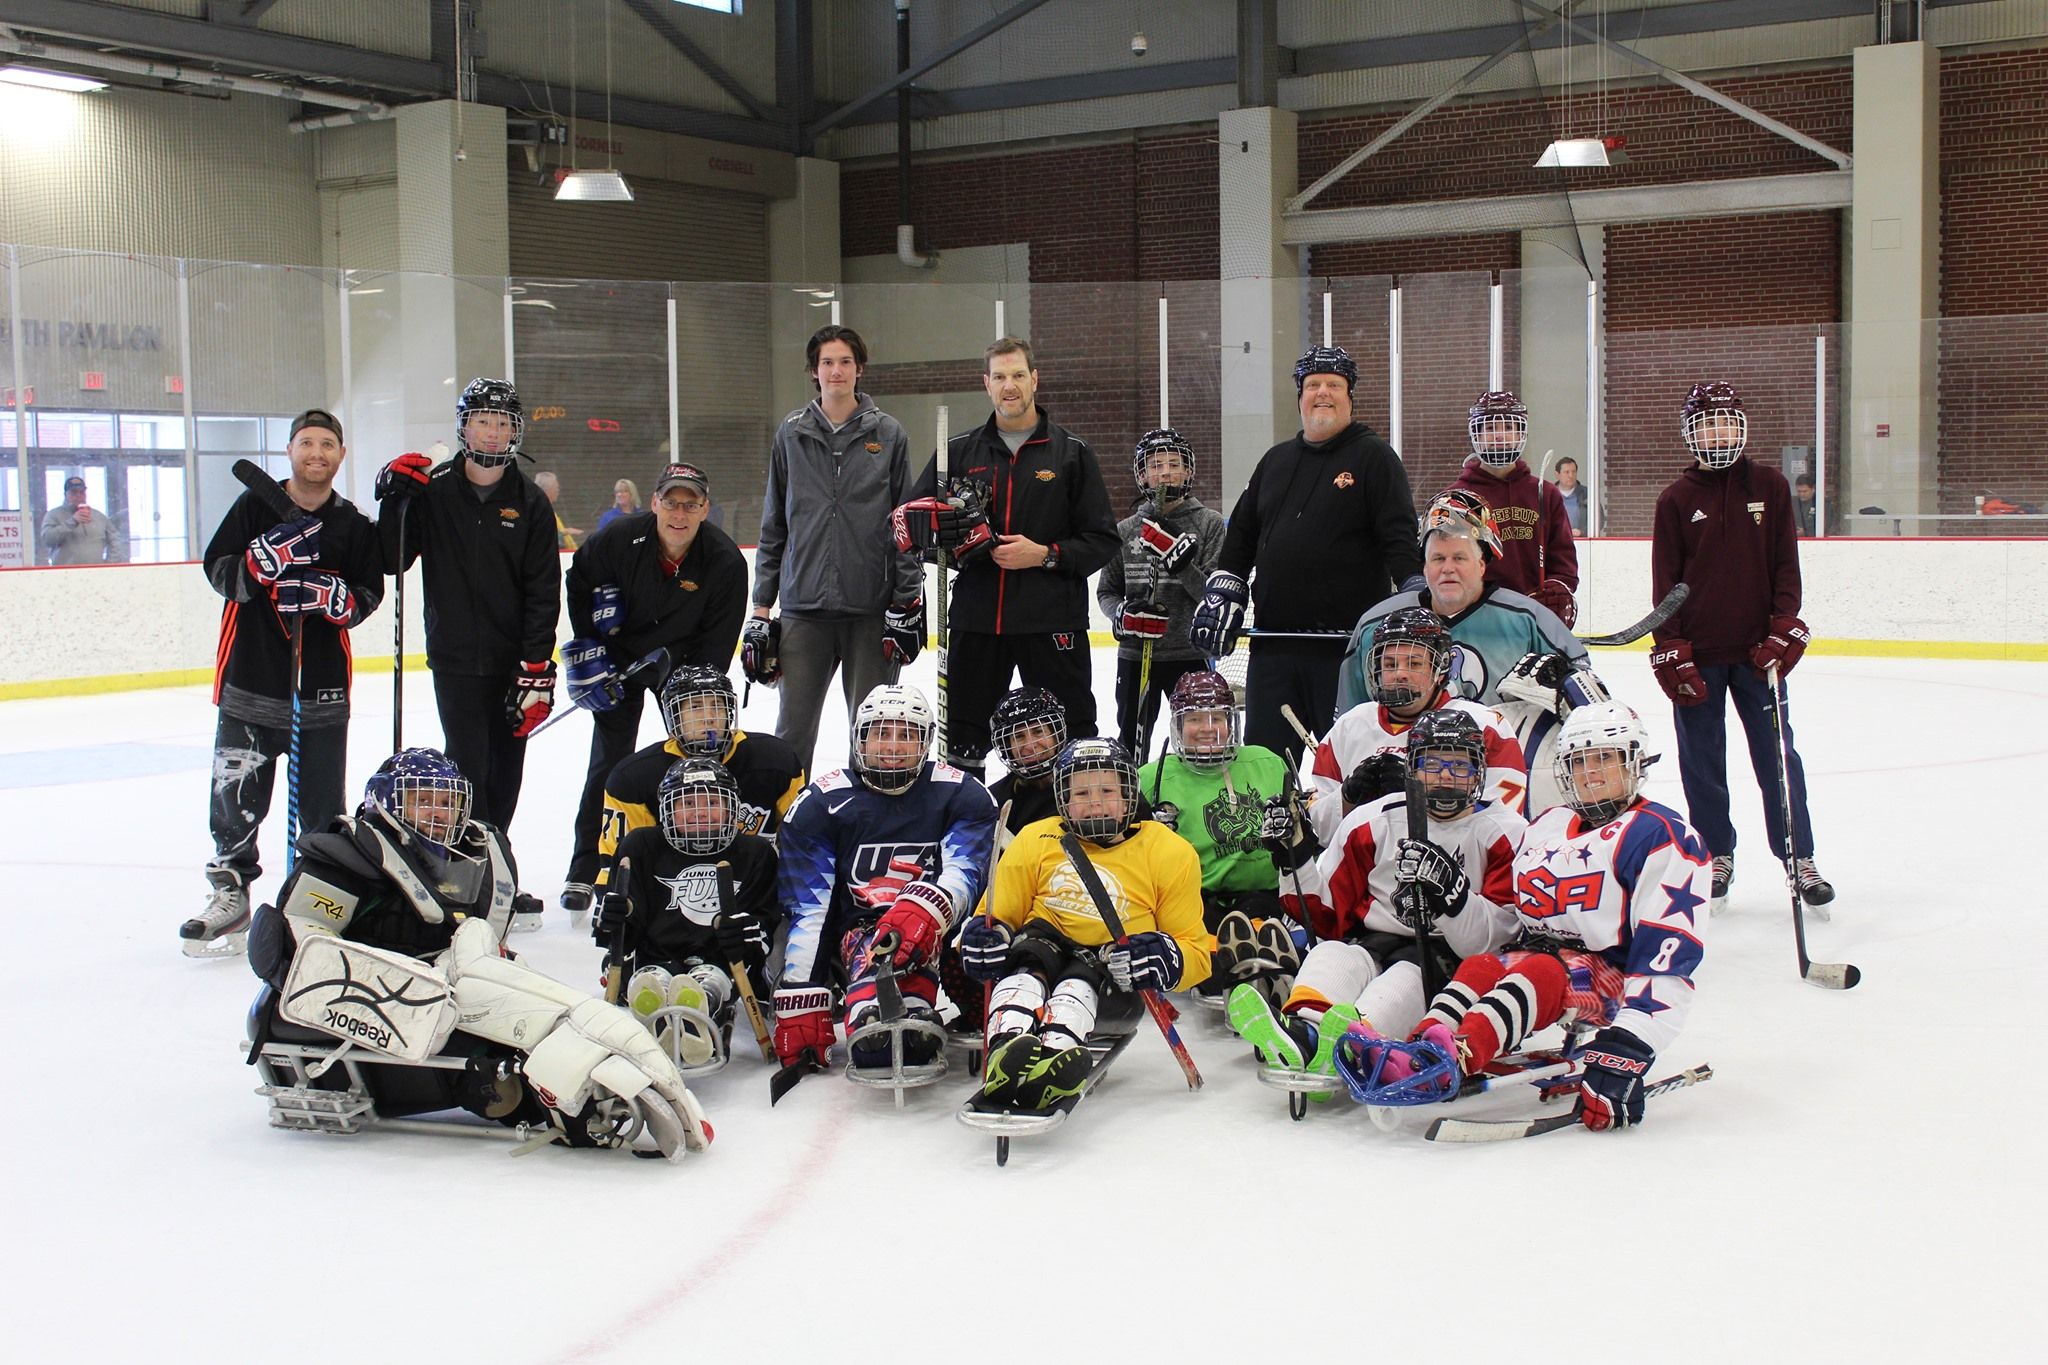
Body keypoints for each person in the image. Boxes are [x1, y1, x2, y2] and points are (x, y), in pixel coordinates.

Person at [244, 749, 709, 1160]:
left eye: (447, 802)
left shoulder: (475, 851)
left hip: (447, 986)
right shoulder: (343, 857)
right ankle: (568, 1095)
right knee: (520, 1045)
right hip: (376, 1002)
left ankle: (622, 1070)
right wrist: (409, 983)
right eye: (423, 800)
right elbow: (303, 949)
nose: (439, 814)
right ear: (384, 804)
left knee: (567, 1012)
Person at [1341, 702, 1709, 1134]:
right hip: (1535, 958)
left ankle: (1456, 1055)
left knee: (1538, 969)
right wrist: (1457, 901)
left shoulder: (1661, 835)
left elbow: (1667, 955)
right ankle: (1423, 1045)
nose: (1591, 772)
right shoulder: (1548, 824)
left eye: (1605, 758)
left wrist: (1629, 1044)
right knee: (1480, 964)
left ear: (1635, 762)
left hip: (1608, 971)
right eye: (1580, 760)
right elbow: (1514, 921)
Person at [1230, 709, 1525, 1085]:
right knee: (1331, 954)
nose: (1446, 775)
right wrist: (1294, 856)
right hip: (1371, 943)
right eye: (1433, 764)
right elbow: (1325, 916)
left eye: (1459, 765)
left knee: (1400, 980)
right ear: (1412, 768)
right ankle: (1303, 1036)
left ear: (1480, 771)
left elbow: (1494, 941)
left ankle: (1349, 1046)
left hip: (1440, 961)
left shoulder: (1506, 833)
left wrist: (1453, 896)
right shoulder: (1372, 820)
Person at [181, 409, 383, 959]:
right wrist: (258, 563)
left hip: (320, 688)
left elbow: (369, 593)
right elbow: (220, 573)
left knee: (322, 809)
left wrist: (336, 599)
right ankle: (231, 893)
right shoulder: (254, 506)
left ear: (341, 455)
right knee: (235, 798)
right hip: (250, 677)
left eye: (327, 444)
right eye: (305, 443)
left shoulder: (355, 526)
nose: (315, 453)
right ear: (290, 451)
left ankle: (314, 902)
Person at [893, 337, 1118, 779]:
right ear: (986, 384)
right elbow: (912, 527)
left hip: (1052, 625)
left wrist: (1045, 555)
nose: (1009, 385)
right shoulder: (957, 453)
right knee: (962, 740)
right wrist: (952, 545)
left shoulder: (1072, 453)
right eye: (999, 377)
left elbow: (1102, 540)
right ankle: (969, 838)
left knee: (1067, 735)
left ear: (1035, 379)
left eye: (1017, 375)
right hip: (978, 623)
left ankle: (1063, 836)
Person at [1649, 381, 1833, 908]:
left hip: (1759, 657)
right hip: (1700, 657)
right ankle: (1716, 854)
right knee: (1702, 762)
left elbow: (1785, 567)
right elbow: (1666, 587)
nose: (1718, 432)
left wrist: (1784, 626)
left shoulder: (1771, 487)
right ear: (1690, 432)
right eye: (1708, 423)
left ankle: (1799, 858)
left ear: (1741, 427)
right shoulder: (1676, 500)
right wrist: (1671, 646)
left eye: (1726, 421)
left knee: (1779, 757)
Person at [1190, 345, 1421, 755]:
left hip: (1347, 650)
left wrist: (1415, 592)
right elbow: (1241, 535)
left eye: (1334, 384)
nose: (1323, 393)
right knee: (1266, 767)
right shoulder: (1275, 461)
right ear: (1300, 396)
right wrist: (1224, 586)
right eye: (1313, 385)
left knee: (1352, 764)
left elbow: (1398, 539)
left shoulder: (1374, 458)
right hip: (1274, 646)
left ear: (1350, 397)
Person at [958, 737, 1210, 1110]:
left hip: (1112, 975)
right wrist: (984, 937)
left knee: (1078, 982)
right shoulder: (1035, 838)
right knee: (1026, 964)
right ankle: (1005, 1052)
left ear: (1128, 794)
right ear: (1063, 799)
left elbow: (1197, 953)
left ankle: (1054, 1062)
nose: (1094, 800)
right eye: (1081, 792)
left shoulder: (1170, 851)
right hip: (1043, 944)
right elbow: (997, 915)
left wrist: (1167, 957)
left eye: (1107, 789)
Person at [375, 378, 561, 853]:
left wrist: (535, 664)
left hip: (513, 662)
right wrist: (394, 497)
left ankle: (494, 855)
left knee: (506, 763)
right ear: (465, 428)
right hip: (454, 658)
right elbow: (390, 558)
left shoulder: (531, 502)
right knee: (465, 764)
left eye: (502, 423)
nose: (493, 433)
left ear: (515, 431)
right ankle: (466, 857)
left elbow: (543, 588)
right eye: (483, 422)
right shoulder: (433, 492)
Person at [772, 684, 997, 1074]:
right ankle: (870, 1004)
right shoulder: (820, 804)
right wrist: (801, 994)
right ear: (858, 738)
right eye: (881, 733)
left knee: (981, 950)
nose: (893, 746)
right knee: (876, 1047)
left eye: (907, 734)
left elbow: (967, 874)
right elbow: (811, 909)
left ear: (926, 741)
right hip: (859, 933)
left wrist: (924, 911)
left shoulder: (961, 794)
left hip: (941, 929)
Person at [559, 462, 748, 917]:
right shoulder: (619, 539)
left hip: (682, 664)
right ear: (654, 503)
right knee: (609, 759)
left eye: (690, 504)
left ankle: (691, 857)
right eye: (671, 502)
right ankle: (588, 866)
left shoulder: (724, 561)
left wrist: (694, 690)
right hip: (619, 658)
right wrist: (589, 645)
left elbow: (718, 642)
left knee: (693, 761)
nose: (678, 514)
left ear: (705, 509)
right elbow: (579, 578)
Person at [745, 324, 922, 777]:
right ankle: (786, 825)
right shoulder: (791, 435)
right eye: (827, 362)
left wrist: (906, 602)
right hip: (803, 611)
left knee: (871, 733)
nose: (836, 370)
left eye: (845, 361)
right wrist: (761, 606)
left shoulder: (890, 434)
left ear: (859, 369)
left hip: (870, 609)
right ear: (813, 372)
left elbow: (905, 525)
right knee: (792, 732)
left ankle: (863, 826)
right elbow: (774, 525)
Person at [598, 757, 780, 1068]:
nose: (699, 811)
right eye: (687, 803)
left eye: (712, 801)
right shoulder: (640, 846)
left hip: (720, 963)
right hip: (654, 957)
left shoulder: (755, 854)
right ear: (666, 810)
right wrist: (616, 919)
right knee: (650, 979)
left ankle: (698, 1011)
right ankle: (659, 1014)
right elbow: (622, 931)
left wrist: (745, 936)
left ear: (733, 808)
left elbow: (765, 927)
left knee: (708, 983)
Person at [1337, 491, 1585, 710]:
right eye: (1438, 558)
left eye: (1459, 558)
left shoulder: (1530, 621)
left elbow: (1586, 702)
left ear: (1481, 565)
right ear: (1423, 567)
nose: (1447, 568)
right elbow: (1351, 720)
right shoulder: (1377, 624)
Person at [1135, 670, 1296, 995]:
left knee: (1258, 920)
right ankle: (1242, 978)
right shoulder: (1151, 779)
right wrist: (1148, 836)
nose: (1208, 729)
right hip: (1193, 898)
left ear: (1231, 721)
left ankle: (1253, 972)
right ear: (1178, 724)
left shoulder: (1268, 762)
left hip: (1263, 894)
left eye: (1217, 718)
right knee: (1203, 934)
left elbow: (1301, 836)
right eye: (1195, 719)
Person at [1307, 606, 1528, 840]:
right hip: (1367, 869)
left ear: (1441, 668)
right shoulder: (1349, 726)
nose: (1399, 674)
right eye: (1390, 664)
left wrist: (1420, 796)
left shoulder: (1485, 725)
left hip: (1455, 870)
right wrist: (1347, 797)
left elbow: (1507, 829)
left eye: (1413, 664)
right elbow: (1319, 831)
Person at [594, 665, 805, 894]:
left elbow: (803, 844)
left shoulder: (775, 761)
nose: (709, 718)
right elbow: (619, 862)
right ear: (673, 716)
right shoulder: (633, 778)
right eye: (695, 707)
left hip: (753, 892)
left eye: (718, 706)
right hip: (670, 896)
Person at [1095, 428, 1226, 757]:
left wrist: (1180, 563)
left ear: (1188, 470)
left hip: (1189, 653)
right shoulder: (1125, 530)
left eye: (1173, 464)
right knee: (1132, 740)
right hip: (1136, 655)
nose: (1165, 472)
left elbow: (1211, 595)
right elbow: (1107, 591)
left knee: (1197, 736)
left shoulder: (1209, 524)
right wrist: (1122, 616)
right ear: (1142, 475)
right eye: (1155, 465)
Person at [1448, 391, 1578, 625]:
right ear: (1475, 433)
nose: (1499, 436)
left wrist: (1556, 592)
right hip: (1477, 622)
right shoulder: (1457, 498)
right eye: (1490, 428)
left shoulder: (1545, 493)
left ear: (1520, 433)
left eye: (1508, 427)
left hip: (1535, 620)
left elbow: (1564, 565)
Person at [40, 474, 125, 564]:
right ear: (65, 494)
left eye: (82, 492)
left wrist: (110, 564)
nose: (78, 495)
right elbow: (47, 540)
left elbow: (115, 541)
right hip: (65, 574)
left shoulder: (99, 517)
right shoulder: (53, 515)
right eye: (74, 492)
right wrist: (72, 522)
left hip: (96, 573)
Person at [534, 470, 582, 550]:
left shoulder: (548, 510)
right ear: (547, 490)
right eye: (556, 487)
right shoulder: (538, 511)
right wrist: (565, 532)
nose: (558, 490)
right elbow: (544, 535)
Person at [1554, 457, 1587, 536]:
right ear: (1557, 474)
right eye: (1566, 472)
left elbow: (1599, 519)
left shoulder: (1586, 494)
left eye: (1573, 472)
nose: (1571, 475)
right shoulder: (1548, 495)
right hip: (1555, 543)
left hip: (1581, 543)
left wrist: (1582, 532)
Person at [1793, 473, 1818, 538]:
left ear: (1813, 489)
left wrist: (1806, 533)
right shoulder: (1792, 503)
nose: (1801, 494)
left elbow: (1827, 528)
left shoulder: (1821, 504)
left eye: (1804, 491)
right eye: (1799, 491)